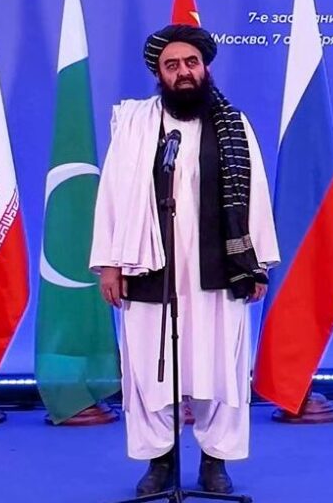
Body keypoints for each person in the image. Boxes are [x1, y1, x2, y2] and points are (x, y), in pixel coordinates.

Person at [89, 24, 280, 496]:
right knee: (151, 367)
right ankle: (160, 460)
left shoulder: (234, 126)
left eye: (191, 63)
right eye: (172, 65)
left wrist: (256, 264)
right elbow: (112, 194)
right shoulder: (136, 126)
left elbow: (255, 197)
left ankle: (216, 461)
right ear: (159, 74)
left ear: (205, 67)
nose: (183, 72)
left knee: (220, 365)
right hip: (150, 264)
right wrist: (110, 262)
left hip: (219, 265)